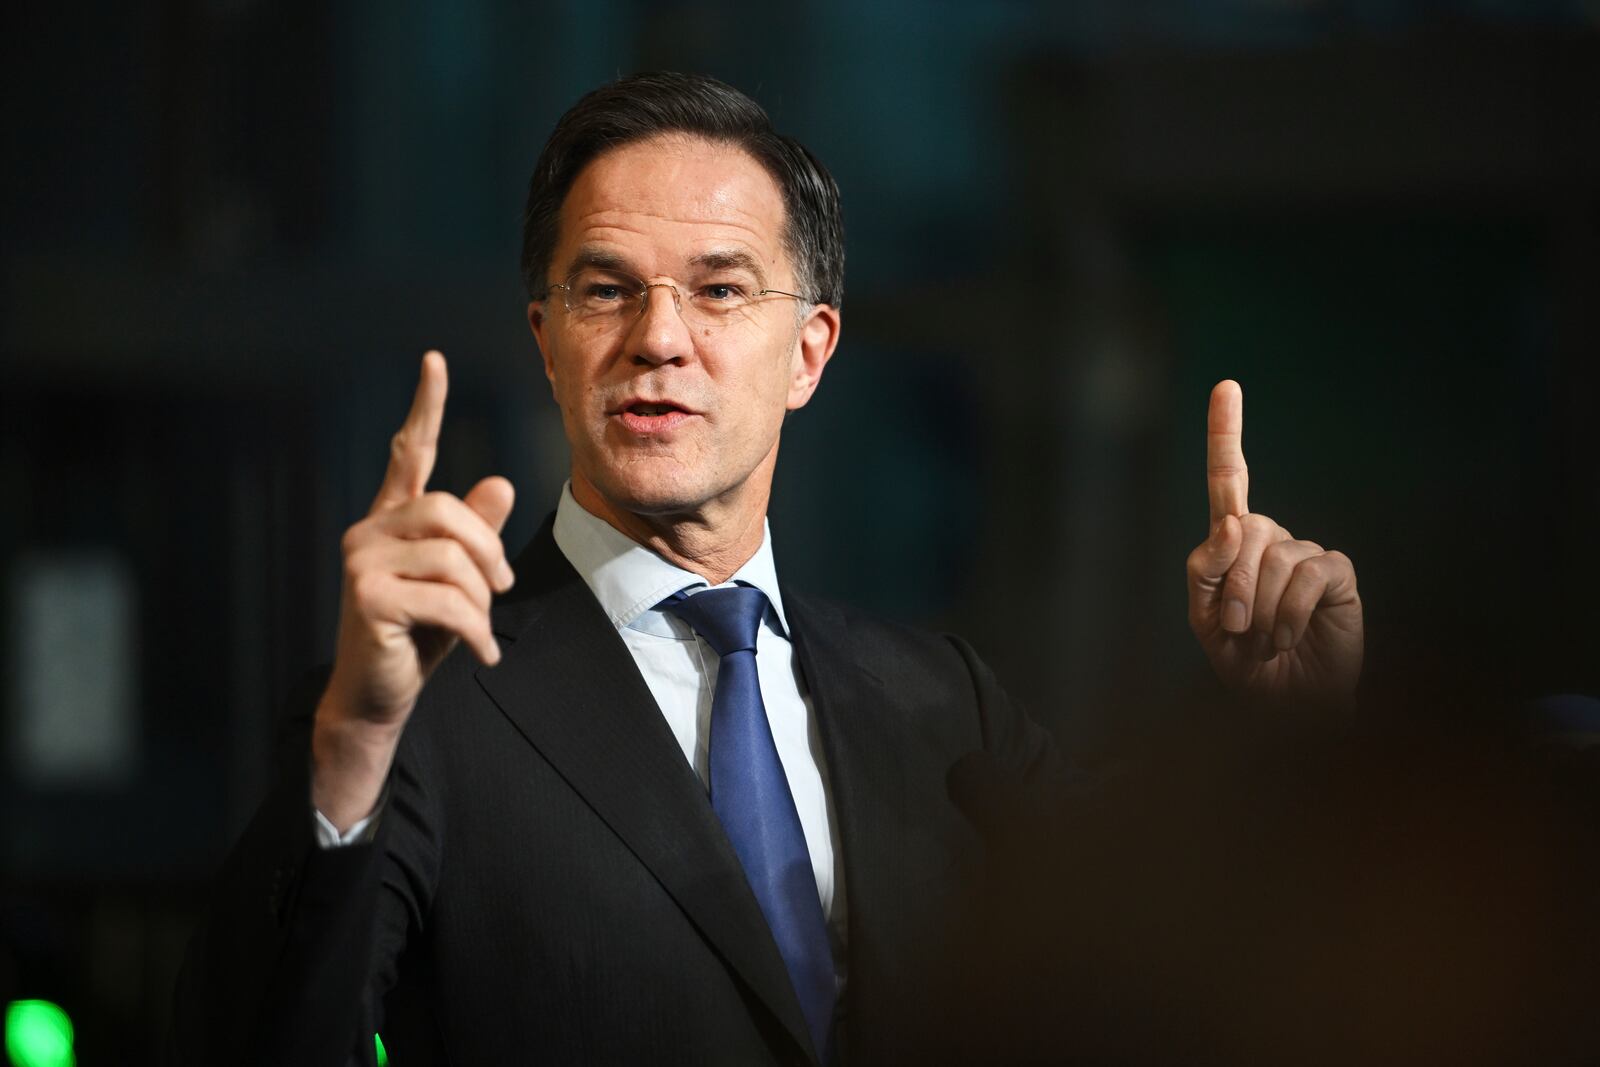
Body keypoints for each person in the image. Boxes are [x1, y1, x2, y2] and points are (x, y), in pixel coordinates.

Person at [169, 72, 1362, 1065]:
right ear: (545, 340)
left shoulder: (938, 703)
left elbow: (1179, 978)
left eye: (720, 288)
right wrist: (351, 753)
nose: (659, 338)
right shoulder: (415, 711)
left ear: (808, 351)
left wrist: (1284, 732)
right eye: (605, 290)